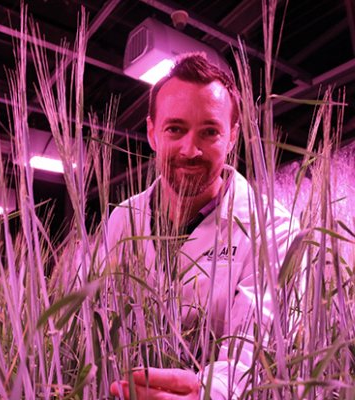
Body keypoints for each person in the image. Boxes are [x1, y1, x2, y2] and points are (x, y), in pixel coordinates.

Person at [106, 53, 297, 399]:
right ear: (151, 132)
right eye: (175, 128)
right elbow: (102, 324)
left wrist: (209, 392)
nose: (189, 150)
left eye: (209, 132)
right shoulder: (123, 218)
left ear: (233, 135)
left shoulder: (274, 229)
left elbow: (254, 348)